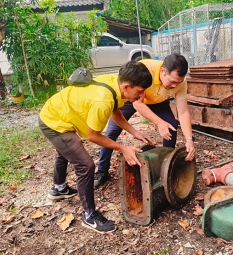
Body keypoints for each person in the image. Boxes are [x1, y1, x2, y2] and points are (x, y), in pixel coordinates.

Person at [38, 61, 154, 233]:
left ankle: (59, 189)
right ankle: (89, 216)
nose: (142, 95)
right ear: (127, 87)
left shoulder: (114, 84)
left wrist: (134, 132)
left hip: (58, 111)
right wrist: (123, 148)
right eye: (140, 91)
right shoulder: (103, 100)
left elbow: (116, 112)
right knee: (85, 165)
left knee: (66, 150)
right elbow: (93, 136)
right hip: (53, 122)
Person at [95, 53, 196, 189]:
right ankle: (102, 170)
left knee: (171, 125)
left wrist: (189, 139)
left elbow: (183, 112)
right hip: (134, 99)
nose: (175, 85)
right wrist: (159, 123)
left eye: (178, 82)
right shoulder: (146, 69)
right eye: (172, 81)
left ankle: (165, 168)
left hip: (158, 101)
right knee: (112, 130)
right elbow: (138, 104)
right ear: (162, 71)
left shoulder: (180, 82)